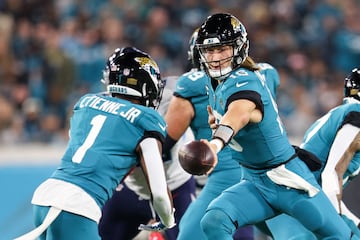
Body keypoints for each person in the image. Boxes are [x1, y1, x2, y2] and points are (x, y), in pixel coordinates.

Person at [194, 13, 354, 239]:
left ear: (238, 48)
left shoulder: (243, 80)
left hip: (288, 181)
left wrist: (215, 144)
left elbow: (238, 113)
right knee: (214, 221)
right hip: (253, 182)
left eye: (222, 49)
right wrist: (218, 123)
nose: (215, 57)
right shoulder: (215, 83)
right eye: (210, 50)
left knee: (339, 236)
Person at [14, 47, 175, 240]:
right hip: (78, 205)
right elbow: (159, 193)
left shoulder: (86, 103)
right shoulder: (147, 118)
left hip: (46, 195)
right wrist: (167, 219)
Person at [166, 28, 254, 240]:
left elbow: (164, 142)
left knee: (189, 232)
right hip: (263, 174)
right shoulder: (263, 74)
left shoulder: (190, 83)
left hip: (226, 175)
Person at [265, 67, 360, 239]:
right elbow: (330, 177)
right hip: (299, 200)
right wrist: (344, 224)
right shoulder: (355, 115)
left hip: (291, 198)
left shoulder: (340, 114)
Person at [98, 76, 197, 240]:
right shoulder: (105, 106)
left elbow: (161, 148)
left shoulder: (172, 95)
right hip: (131, 189)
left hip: (175, 186)